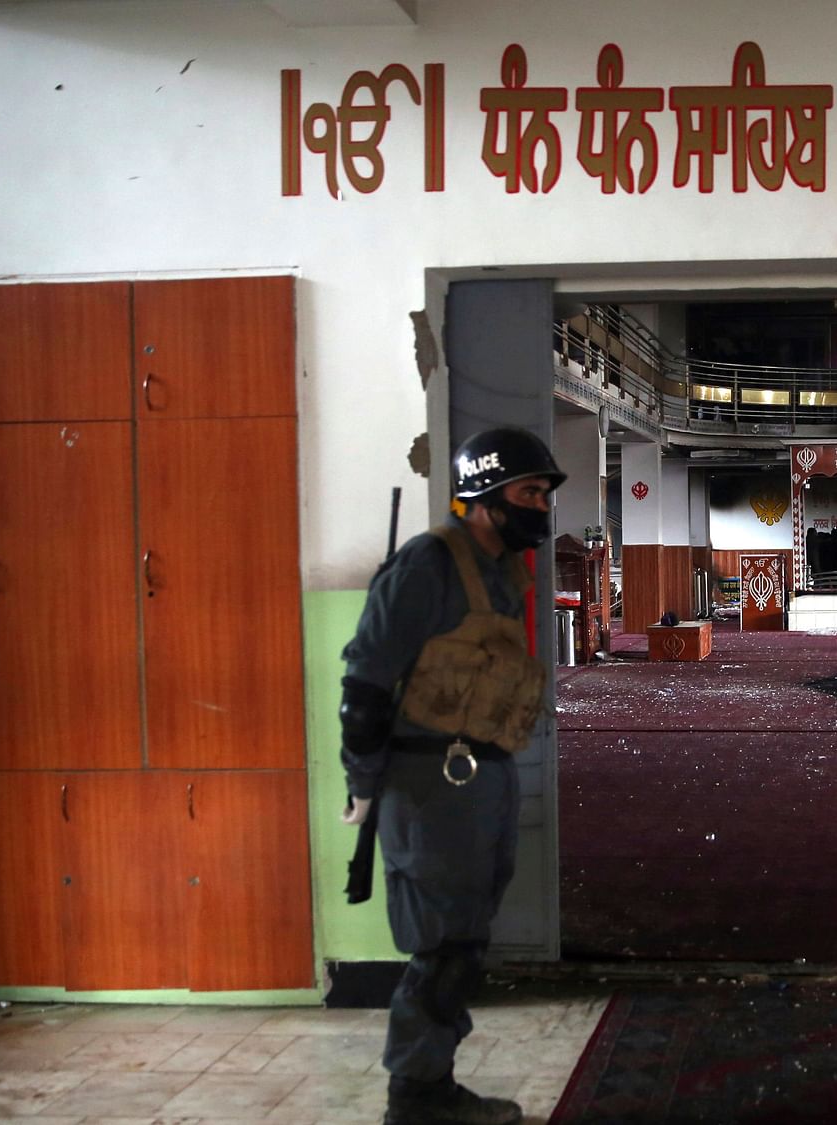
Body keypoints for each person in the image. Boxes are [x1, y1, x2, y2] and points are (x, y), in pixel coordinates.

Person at [339, 426, 565, 1125]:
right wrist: (362, 779)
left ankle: (432, 1082)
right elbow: (366, 686)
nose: (539, 507)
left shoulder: (500, 573)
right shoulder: (427, 565)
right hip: (429, 783)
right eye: (528, 492)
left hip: (480, 779)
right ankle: (414, 1096)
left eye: (541, 494)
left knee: (465, 940)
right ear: (485, 496)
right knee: (440, 948)